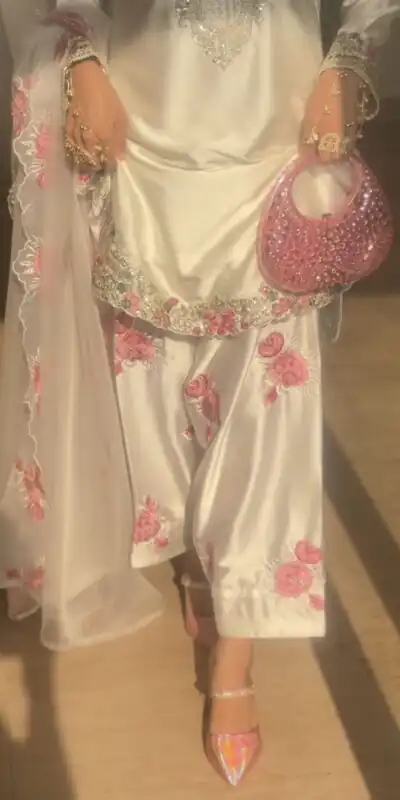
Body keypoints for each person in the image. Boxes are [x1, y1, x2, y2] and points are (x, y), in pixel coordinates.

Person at [0, 0, 398, 785]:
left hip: (274, 142)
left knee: (268, 409)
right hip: (144, 144)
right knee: (150, 393)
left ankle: (235, 654)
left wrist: (351, 54)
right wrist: (79, 63)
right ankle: (196, 554)